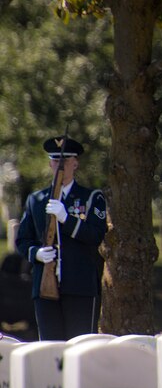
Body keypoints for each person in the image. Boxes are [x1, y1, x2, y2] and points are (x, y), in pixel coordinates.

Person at [15, 136, 107, 340]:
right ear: (49, 164)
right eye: (56, 161)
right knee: (50, 348)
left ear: (75, 163)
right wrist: (36, 253)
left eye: (65, 161)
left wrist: (67, 219)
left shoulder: (91, 198)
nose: (60, 166)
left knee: (80, 345)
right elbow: (22, 240)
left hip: (80, 286)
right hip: (45, 288)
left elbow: (96, 235)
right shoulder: (36, 200)